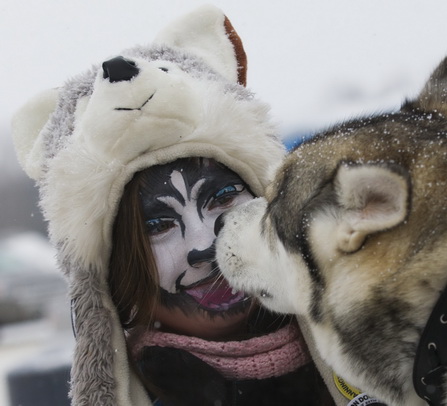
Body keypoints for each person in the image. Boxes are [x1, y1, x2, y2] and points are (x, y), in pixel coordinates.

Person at [12, 5, 339, 406]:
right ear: (115, 271)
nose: (204, 246)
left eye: (221, 198)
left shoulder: (410, 365)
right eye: (157, 226)